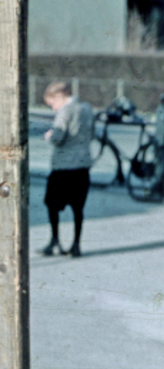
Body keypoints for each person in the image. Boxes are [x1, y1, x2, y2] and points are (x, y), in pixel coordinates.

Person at [42, 81, 94, 257]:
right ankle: (76, 245)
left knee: (51, 204)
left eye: (52, 104)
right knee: (78, 208)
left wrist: (49, 136)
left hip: (63, 167)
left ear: (59, 96)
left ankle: (55, 240)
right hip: (82, 165)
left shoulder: (65, 111)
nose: (53, 108)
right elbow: (92, 134)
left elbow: (58, 137)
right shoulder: (87, 108)